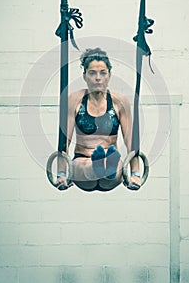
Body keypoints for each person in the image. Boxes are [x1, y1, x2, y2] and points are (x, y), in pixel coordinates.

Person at [56, 48, 141, 191]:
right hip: (82, 162)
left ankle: (108, 167)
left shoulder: (119, 101)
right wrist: (61, 173)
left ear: (109, 75)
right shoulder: (74, 100)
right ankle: (99, 166)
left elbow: (130, 141)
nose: (98, 78)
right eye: (92, 73)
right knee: (85, 166)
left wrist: (135, 173)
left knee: (118, 166)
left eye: (103, 73)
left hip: (111, 175)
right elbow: (64, 141)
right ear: (84, 76)